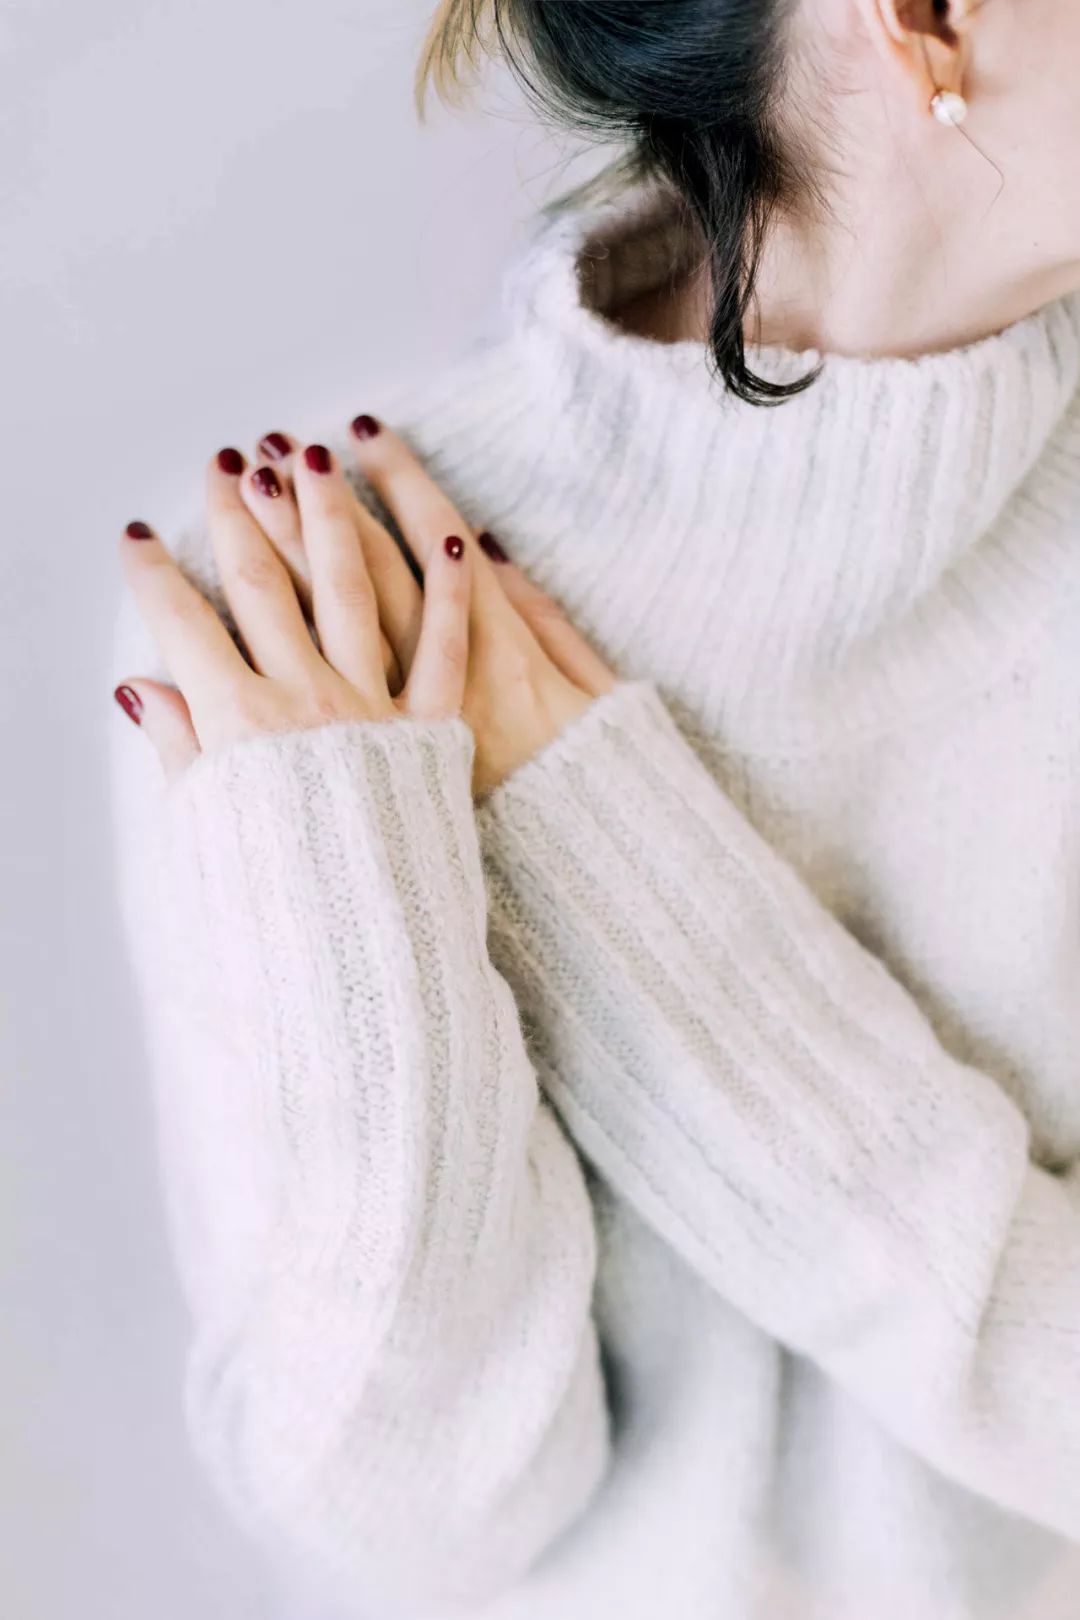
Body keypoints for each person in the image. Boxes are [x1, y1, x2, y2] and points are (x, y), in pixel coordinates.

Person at [109, 2, 1080, 1616]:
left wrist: (628, 899)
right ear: (926, 20)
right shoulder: (305, 616)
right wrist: (366, 902)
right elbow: (417, 1528)